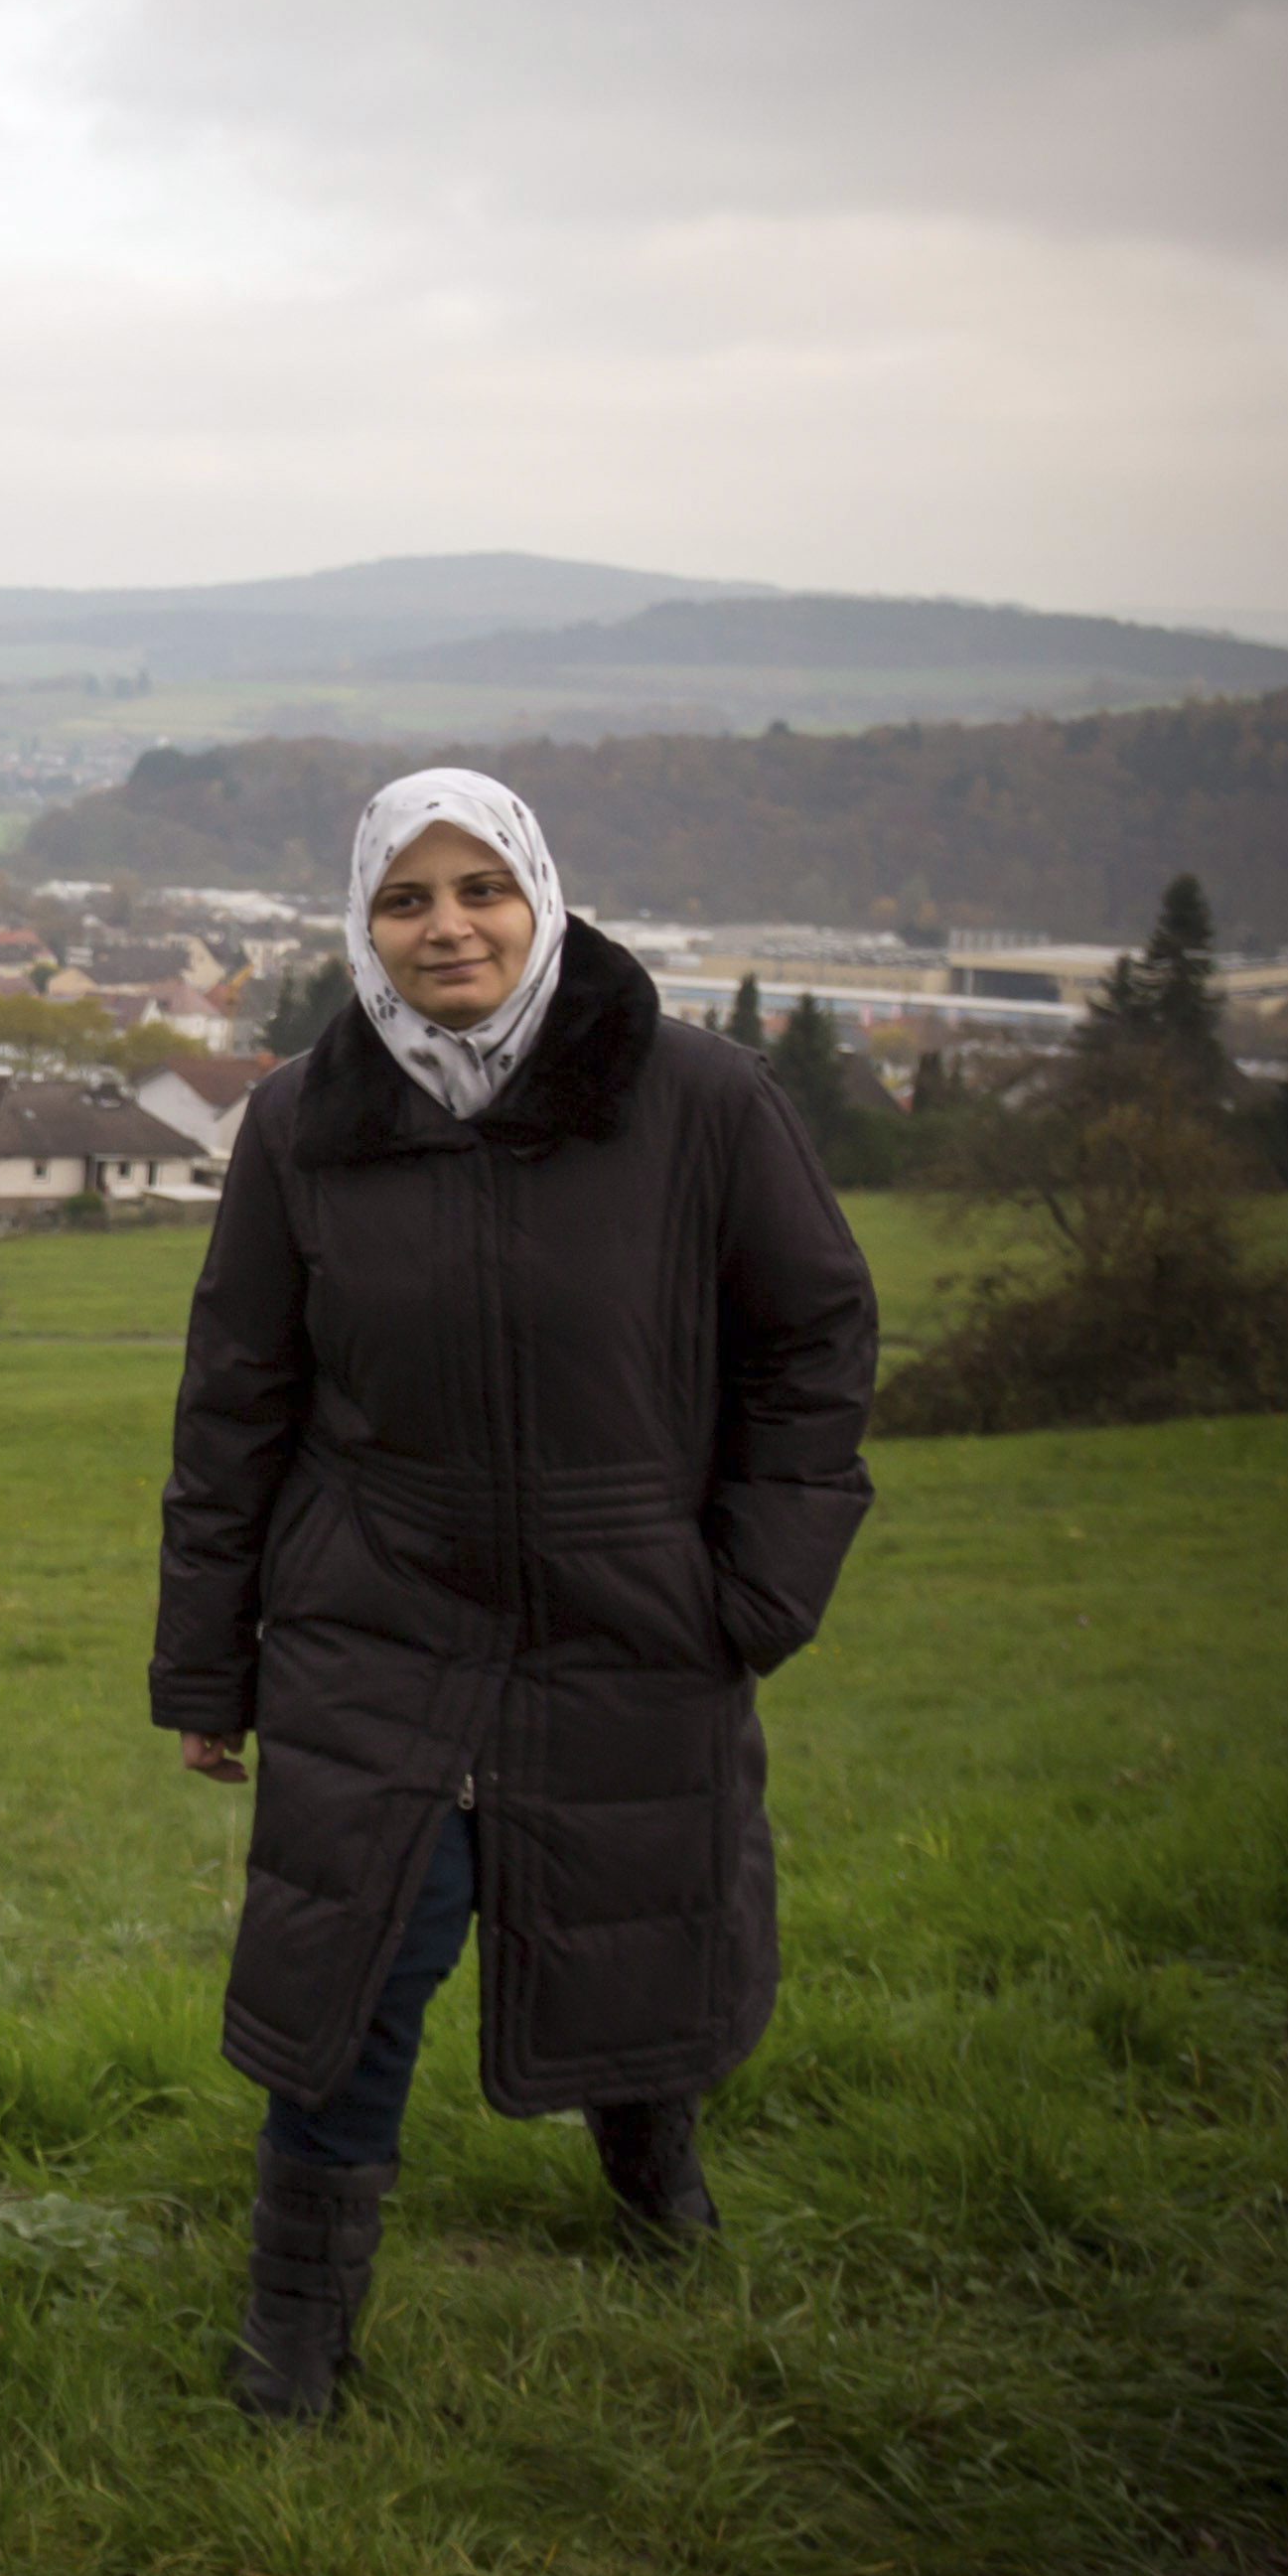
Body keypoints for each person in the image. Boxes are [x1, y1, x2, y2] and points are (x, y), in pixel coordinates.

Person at [154, 769, 879, 2423]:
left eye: (481, 886)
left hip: (633, 1611)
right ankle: (296, 2341)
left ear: (541, 896)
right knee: (348, 1978)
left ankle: (656, 2186)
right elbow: (237, 1403)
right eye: (408, 898)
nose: (447, 924)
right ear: (364, 924)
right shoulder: (301, 1125)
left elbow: (814, 1346)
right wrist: (211, 1666)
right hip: (373, 1616)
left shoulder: (699, 1098)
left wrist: (755, 1587)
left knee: (631, 1918)